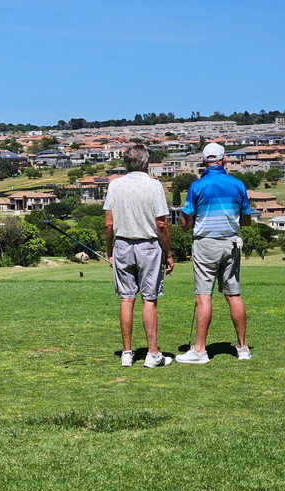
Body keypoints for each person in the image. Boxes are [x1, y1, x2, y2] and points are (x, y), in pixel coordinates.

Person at [177, 143, 251, 364]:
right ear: (224, 160)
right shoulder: (238, 185)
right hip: (231, 243)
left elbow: (187, 222)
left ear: (203, 161)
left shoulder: (197, 186)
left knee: (203, 296)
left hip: (206, 244)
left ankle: (200, 350)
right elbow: (246, 220)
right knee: (233, 294)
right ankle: (242, 348)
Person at [104, 144, 174, 368]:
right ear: (145, 163)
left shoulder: (114, 185)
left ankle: (127, 353)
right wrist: (169, 253)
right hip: (148, 245)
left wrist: (109, 252)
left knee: (126, 299)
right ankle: (152, 354)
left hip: (122, 245)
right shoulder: (154, 185)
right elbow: (162, 224)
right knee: (149, 299)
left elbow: (108, 224)